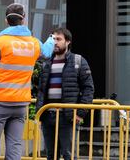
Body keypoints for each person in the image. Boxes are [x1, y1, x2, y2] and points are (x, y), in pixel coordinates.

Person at [0, 3, 54, 160]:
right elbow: (46, 53)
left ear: (6, 21)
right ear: (23, 20)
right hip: (20, 104)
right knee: (15, 147)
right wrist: (51, 39)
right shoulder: (34, 43)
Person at [36, 28, 94, 160]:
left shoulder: (78, 61)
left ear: (68, 42)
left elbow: (88, 88)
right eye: (53, 39)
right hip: (47, 116)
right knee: (51, 155)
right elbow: (41, 89)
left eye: (58, 39)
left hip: (68, 116)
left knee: (68, 154)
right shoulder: (46, 62)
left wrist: (80, 113)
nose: (55, 42)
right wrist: (39, 112)